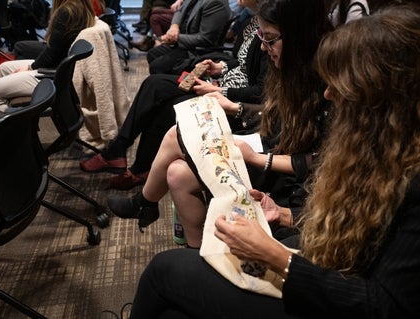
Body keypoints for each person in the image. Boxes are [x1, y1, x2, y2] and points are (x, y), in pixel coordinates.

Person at [126, 3, 420, 318]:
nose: (328, 94)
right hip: (337, 267)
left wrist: (275, 256)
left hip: (345, 295)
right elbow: (364, 225)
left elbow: (385, 305)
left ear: (387, 95)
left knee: (164, 271)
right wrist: (287, 215)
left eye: (341, 85)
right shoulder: (389, 143)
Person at [105, 0, 333, 247]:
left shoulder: (322, 85)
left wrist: (257, 154)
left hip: (281, 168)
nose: (265, 47)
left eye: (269, 39)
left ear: (298, 37)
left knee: (175, 129)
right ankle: (194, 247)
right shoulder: (287, 70)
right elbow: (271, 112)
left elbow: (314, 158)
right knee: (176, 172)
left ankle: (144, 202)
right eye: (261, 37)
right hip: (267, 145)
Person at [80, 0, 267, 191]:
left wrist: (218, 91)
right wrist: (220, 67)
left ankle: (137, 167)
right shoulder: (252, 21)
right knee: (154, 84)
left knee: (167, 102)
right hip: (221, 83)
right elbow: (240, 63)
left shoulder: (269, 34)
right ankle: (120, 150)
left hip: (231, 99)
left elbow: (260, 91)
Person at [0, 0, 95, 122]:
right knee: (4, 67)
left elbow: (50, 54)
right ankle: (19, 122)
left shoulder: (67, 11)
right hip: (58, 67)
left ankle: (5, 132)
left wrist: (30, 67)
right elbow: (53, 51)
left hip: (53, 75)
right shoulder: (80, 6)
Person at [145, 0, 232, 75]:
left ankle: (172, 87)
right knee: (152, 53)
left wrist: (175, 38)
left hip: (199, 51)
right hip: (186, 43)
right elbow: (180, 10)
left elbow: (205, 39)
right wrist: (174, 26)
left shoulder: (216, 3)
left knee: (157, 66)